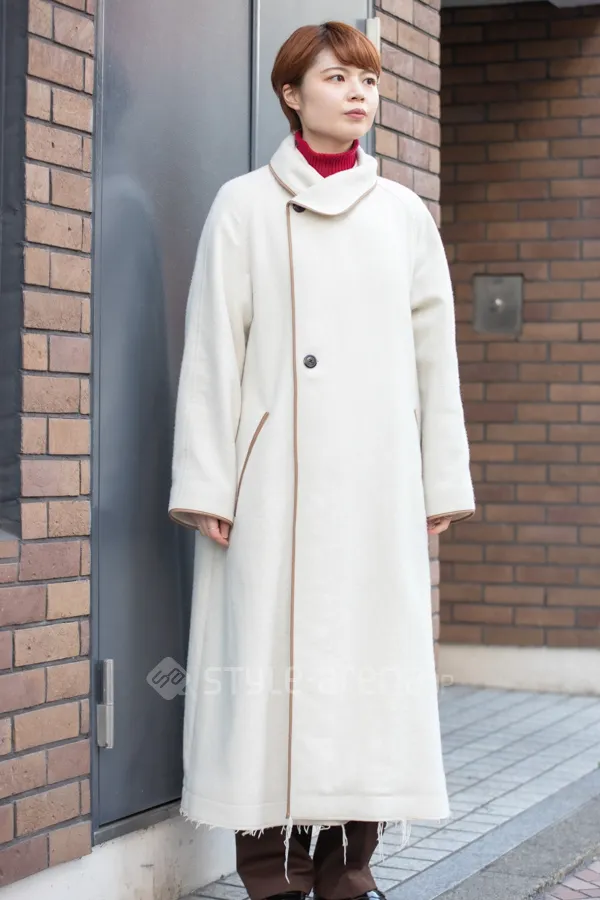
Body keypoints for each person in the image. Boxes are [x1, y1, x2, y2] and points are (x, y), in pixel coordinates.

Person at [168, 20, 475, 900]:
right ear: (291, 95)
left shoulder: (403, 215)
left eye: (367, 79)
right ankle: (270, 873)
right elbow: (213, 351)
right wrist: (207, 480)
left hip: (377, 481)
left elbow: (436, 360)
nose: (357, 94)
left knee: (367, 674)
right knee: (265, 675)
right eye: (337, 78)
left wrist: (438, 479)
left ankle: (349, 870)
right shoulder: (244, 206)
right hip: (271, 484)